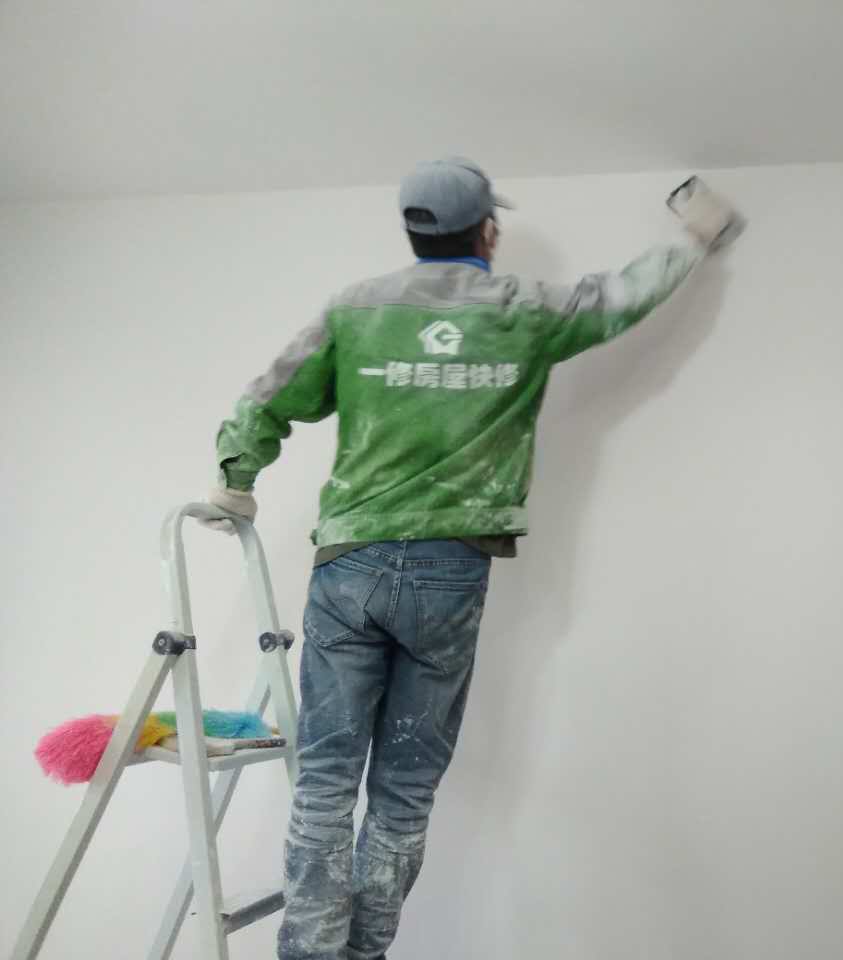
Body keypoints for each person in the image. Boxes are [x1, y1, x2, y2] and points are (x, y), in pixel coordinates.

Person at [204, 156, 741, 960]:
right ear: (486, 230)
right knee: (403, 792)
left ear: (412, 231)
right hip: (449, 573)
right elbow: (619, 298)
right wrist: (693, 240)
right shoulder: (524, 309)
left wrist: (235, 481)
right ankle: (364, 953)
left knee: (324, 782)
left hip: (351, 565)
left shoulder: (358, 309)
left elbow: (268, 396)